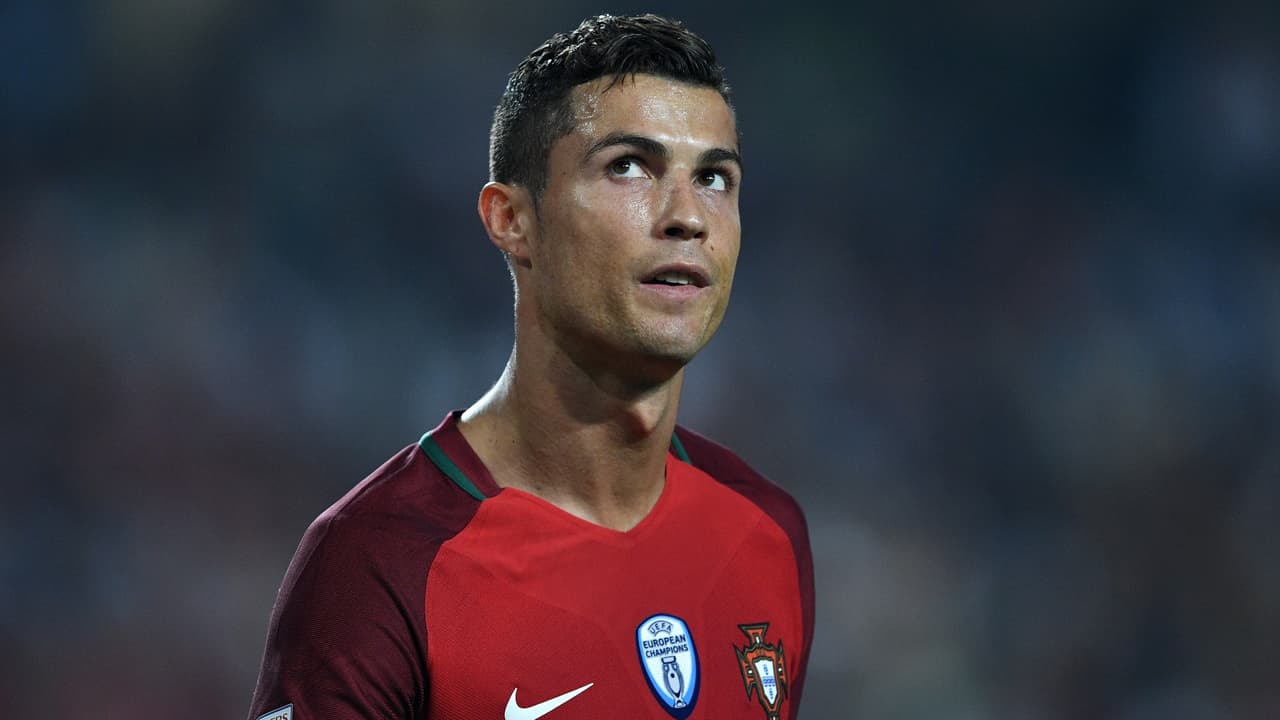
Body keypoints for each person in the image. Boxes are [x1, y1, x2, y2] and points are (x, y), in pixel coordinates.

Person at [247, 14, 814, 720]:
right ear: (511, 220)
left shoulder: (767, 532)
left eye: (714, 178)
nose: (687, 216)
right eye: (628, 166)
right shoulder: (378, 561)